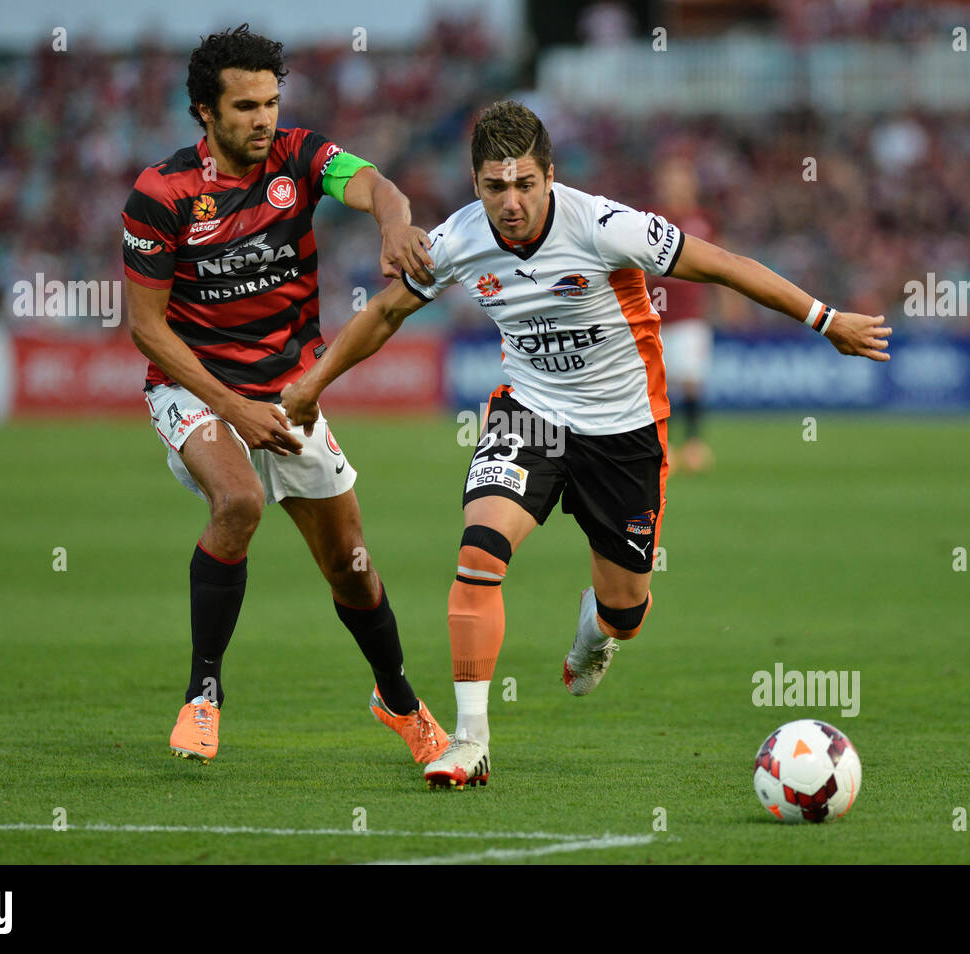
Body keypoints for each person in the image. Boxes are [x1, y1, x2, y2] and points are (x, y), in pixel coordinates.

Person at [281, 100, 890, 788]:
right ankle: (469, 740)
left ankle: (597, 632)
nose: (510, 203)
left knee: (626, 610)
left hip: (624, 431)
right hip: (531, 416)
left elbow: (720, 264)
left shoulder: (605, 226)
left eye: (524, 185)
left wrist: (825, 318)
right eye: (493, 187)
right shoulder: (456, 239)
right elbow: (388, 311)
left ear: (549, 176)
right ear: (475, 182)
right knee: (479, 553)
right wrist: (314, 383)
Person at [121, 24, 447, 765]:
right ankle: (203, 694)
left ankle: (398, 700)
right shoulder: (162, 193)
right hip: (194, 388)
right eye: (244, 106)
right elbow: (145, 329)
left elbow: (373, 185)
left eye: (270, 101)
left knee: (352, 565)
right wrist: (232, 409)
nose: (262, 118)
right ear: (205, 111)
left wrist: (394, 224)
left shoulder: (299, 156)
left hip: (290, 396)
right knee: (237, 503)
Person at [645, 154, 717, 473]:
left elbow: (722, 265)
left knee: (689, 380)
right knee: (655, 383)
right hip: (653, 315)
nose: (674, 186)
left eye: (680, 179)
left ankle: (693, 443)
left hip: (689, 315)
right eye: (669, 180)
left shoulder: (703, 220)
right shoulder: (650, 220)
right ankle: (661, 445)